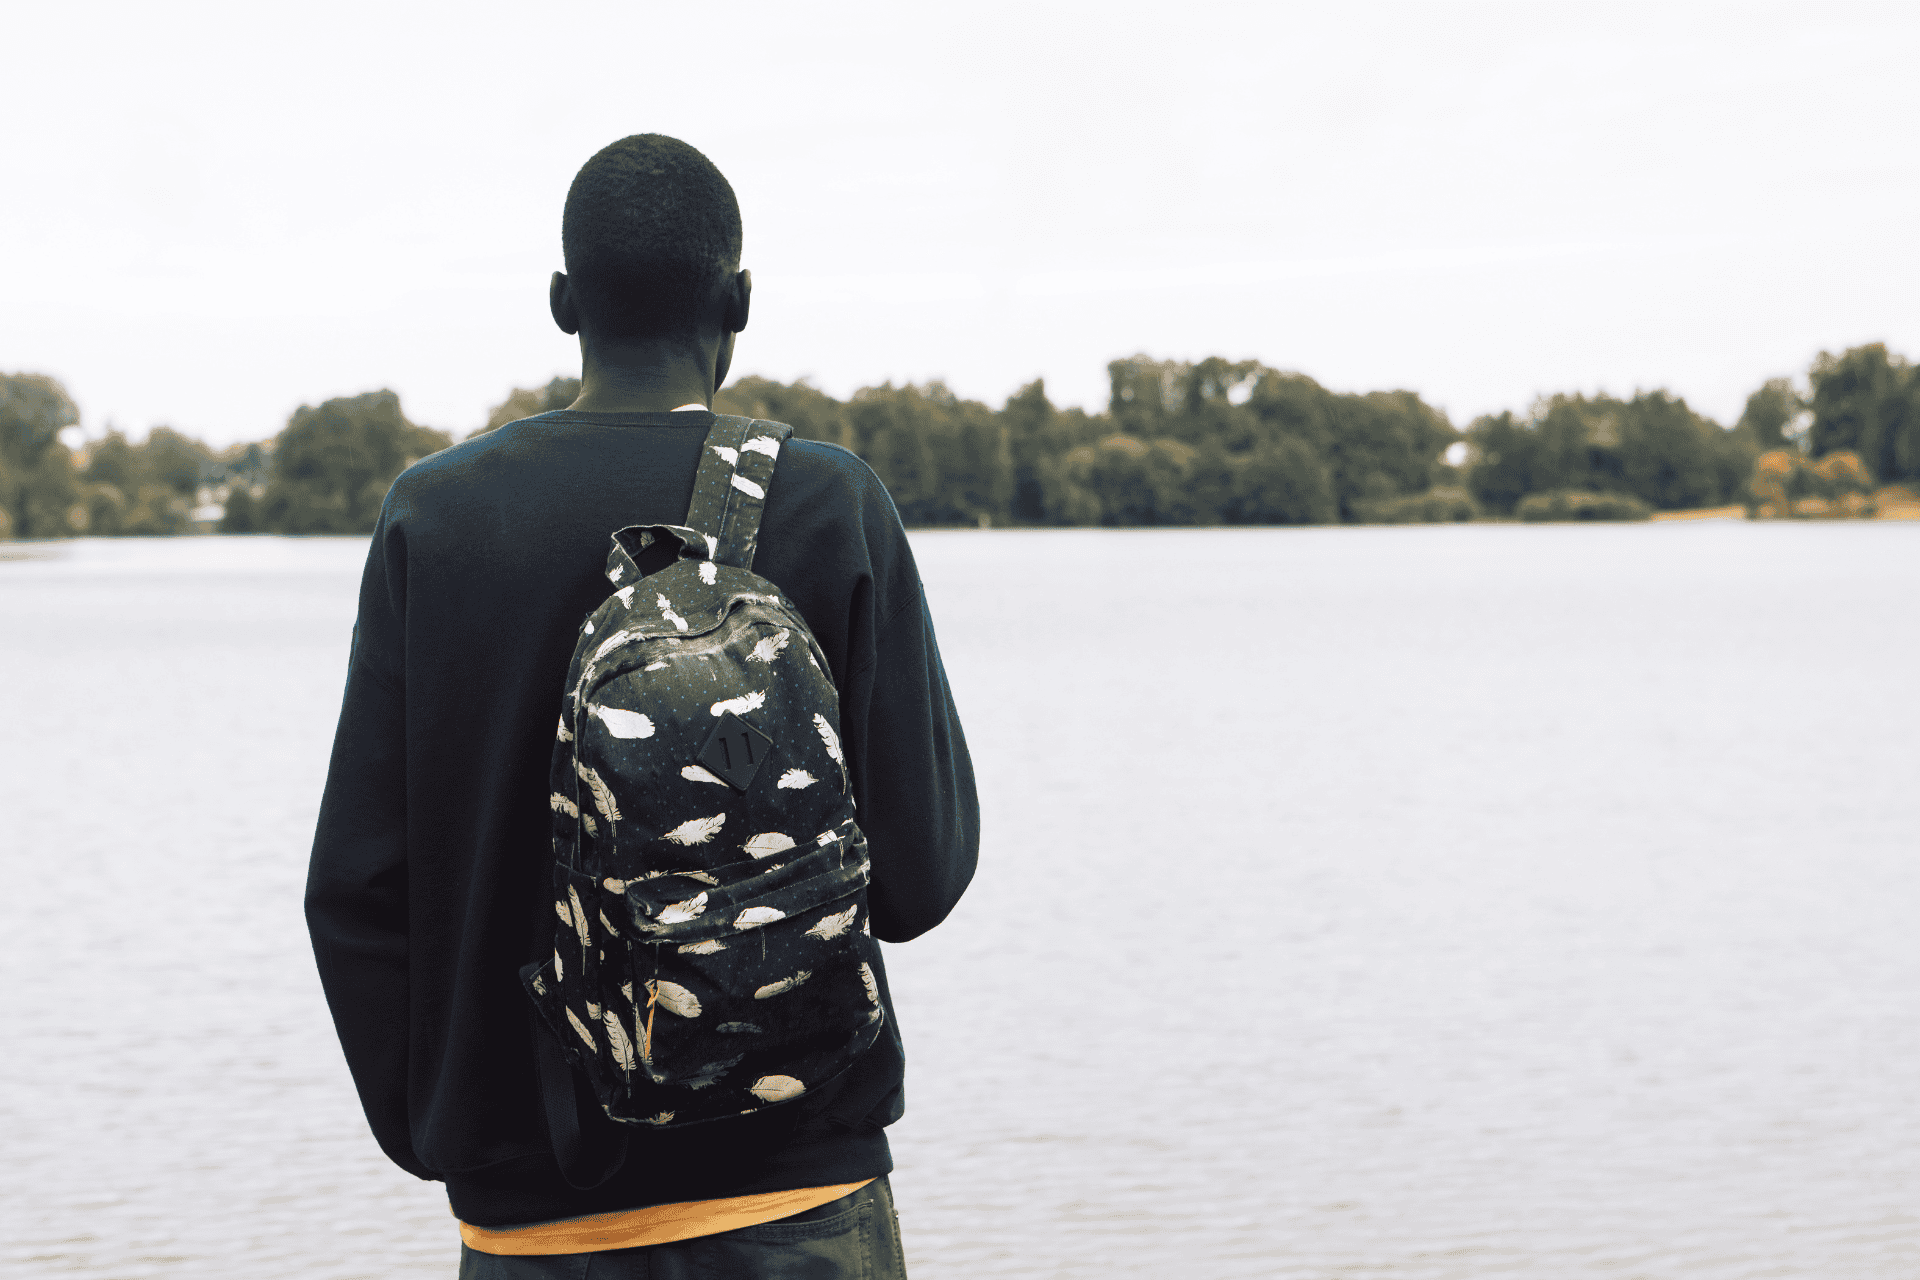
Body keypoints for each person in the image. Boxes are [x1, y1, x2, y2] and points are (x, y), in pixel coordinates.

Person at [304, 133, 979, 1278]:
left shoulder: (433, 517)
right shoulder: (829, 504)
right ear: (739, 301)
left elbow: (359, 889)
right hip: (798, 1195)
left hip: (534, 1216)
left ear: (564, 302)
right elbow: (921, 877)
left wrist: (454, 1134)